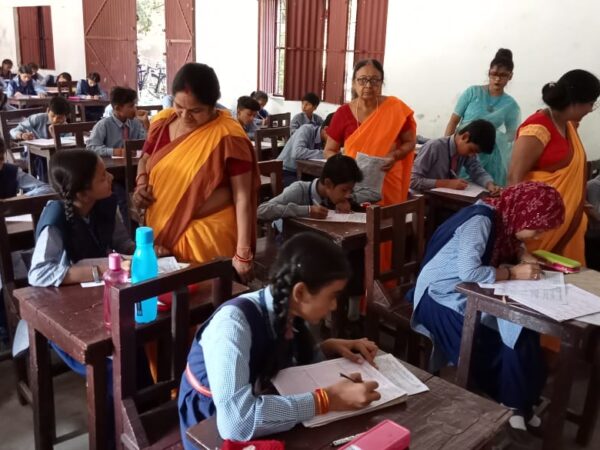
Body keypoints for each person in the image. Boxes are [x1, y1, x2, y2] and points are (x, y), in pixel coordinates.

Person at [178, 232, 381, 447]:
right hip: (210, 427)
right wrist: (327, 400)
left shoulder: (288, 308)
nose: (334, 306)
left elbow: (279, 357)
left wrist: (327, 348)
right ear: (300, 292)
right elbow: (236, 423)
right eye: (332, 296)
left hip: (260, 406)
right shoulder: (232, 325)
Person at [410, 181, 565, 435]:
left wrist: (523, 254)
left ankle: (520, 403)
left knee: (522, 330)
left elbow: (512, 242)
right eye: (536, 229)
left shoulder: (505, 216)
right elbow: (470, 272)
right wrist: (512, 273)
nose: (538, 237)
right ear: (523, 213)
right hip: (440, 295)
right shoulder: (481, 221)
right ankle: (510, 401)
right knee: (487, 339)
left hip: (471, 290)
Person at [133, 63, 260, 283]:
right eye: (179, 106)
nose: (185, 116)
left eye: (195, 111)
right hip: (159, 236)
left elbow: (242, 196)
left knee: (207, 299)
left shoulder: (228, 136)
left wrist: (242, 253)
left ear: (213, 106)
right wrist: (141, 184)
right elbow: (145, 159)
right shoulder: (162, 122)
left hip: (206, 240)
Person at [508, 69, 600, 264]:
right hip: (537, 232)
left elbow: (572, 179)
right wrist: (518, 233)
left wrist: (586, 207)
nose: (591, 109)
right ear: (576, 102)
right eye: (591, 103)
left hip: (569, 229)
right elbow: (514, 180)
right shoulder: (537, 129)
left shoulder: (569, 126)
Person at [324, 59, 417, 207]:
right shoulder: (343, 113)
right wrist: (346, 167)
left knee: (388, 219)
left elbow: (410, 142)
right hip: (353, 182)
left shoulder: (395, 108)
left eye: (374, 81)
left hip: (388, 179)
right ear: (354, 83)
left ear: (381, 83)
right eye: (362, 80)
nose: (368, 86)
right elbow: (329, 150)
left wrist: (395, 155)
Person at [444, 49, 521, 187]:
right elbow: (453, 121)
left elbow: (512, 136)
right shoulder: (472, 93)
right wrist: (446, 149)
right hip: (464, 148)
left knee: (485, 190)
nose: (497, 79)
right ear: (489, 72)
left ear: (510, 76)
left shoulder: (511, 105)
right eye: (494, 74)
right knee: (457, 186)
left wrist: (495, 136)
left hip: (490, 155)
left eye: (503, 75)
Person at [258, 153, 362, 222]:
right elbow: (261, 211)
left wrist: (349, 204)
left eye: (351, 190)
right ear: (328, 184)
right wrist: (306, 211)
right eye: (344, 190)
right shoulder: (299, 190)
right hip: (291, 243)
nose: (348, 195)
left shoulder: (337, 197)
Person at [410, 119, 500, 193]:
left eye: (476, 153)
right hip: (424, 200)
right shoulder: (434, 147)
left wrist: (489, 184)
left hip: (443, 199)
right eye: (472, 150)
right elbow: (412, 180)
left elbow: (477, 171)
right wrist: (446, 183)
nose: (472, 155)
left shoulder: (465, 152)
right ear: (465, 137)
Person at [10, 95, 71, 181]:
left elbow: (66, 146)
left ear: (65, 117)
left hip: (54, 154)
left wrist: (55, 135)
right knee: (42, 160)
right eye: (53, 116)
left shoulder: (65, 127)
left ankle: (55, 183)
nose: (54, 120)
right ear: (48, 110)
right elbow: (13, 130)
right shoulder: (38, 118)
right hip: (31, 153)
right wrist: (22, 135)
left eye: (60, 118)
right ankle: (45, 185)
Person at [87, 86, 147, 157]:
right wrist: (116, 152)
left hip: (133, 162)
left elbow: (147, 144)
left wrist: (146, 125)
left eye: (134, 105)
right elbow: (91, 148)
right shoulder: (103, 125)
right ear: (118, 108)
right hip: (111, 163)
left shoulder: (136, 123)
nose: (135, 109)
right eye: (131, 106)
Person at [277, 113, 334, 186]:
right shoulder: (306, 129)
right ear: (326, 129)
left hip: (306, 173)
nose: (337, 140)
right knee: (312, 189)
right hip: (286, 171)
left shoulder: (326, 141)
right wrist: (327, 153)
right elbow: (297, 153)